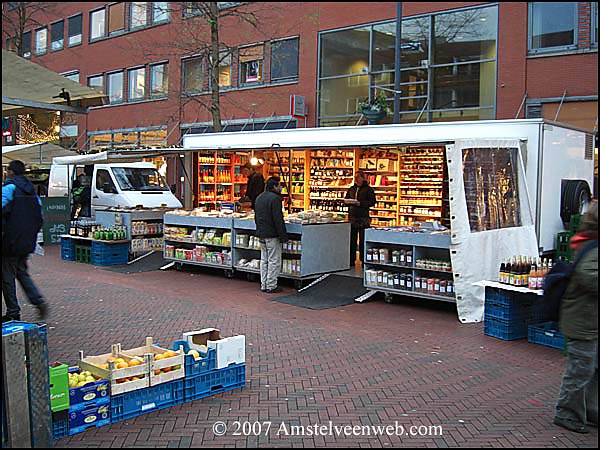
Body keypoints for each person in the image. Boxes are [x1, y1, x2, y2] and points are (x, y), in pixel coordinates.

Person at [554, 200, 598, 434]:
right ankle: (567, 413)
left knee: (591, 369)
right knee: (580, 370)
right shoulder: (592, 248)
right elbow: (589, 276)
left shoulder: (589, 244)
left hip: (589, 321)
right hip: (583, 321)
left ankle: (590, 409)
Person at [2, 160, 48, 322]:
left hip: (10, 241)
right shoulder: (32, 192)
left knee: (7, 276)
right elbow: (40, 217)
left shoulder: (9, 188)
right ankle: (38, 300)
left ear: (12, 172)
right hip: (27, 242)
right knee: (21, 272)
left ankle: (13, 312)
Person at [254, 176, 288, 293]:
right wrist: (283, 236)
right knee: (274, 260)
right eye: (279, 185)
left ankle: (263, 284)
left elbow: (256, 216)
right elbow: (278, 219)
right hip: (272, 234)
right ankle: (271, 285)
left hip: (261, 233)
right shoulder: (275, 199)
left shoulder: (259, 197)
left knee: (264, 260)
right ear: (274, 186)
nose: (281, 187)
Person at [344, 171, 376, 266]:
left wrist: (360, 203)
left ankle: (363, 260)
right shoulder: (351, 189)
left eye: (358, 177)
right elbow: (346, 198)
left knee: (363, 240)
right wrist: (347, 202)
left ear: (363, 178)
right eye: (355, 177)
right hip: (352, 217)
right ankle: (351, 260)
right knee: (352, 240)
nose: (356, 179)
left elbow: (372, 202)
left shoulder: (368, 189)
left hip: (363, 218)